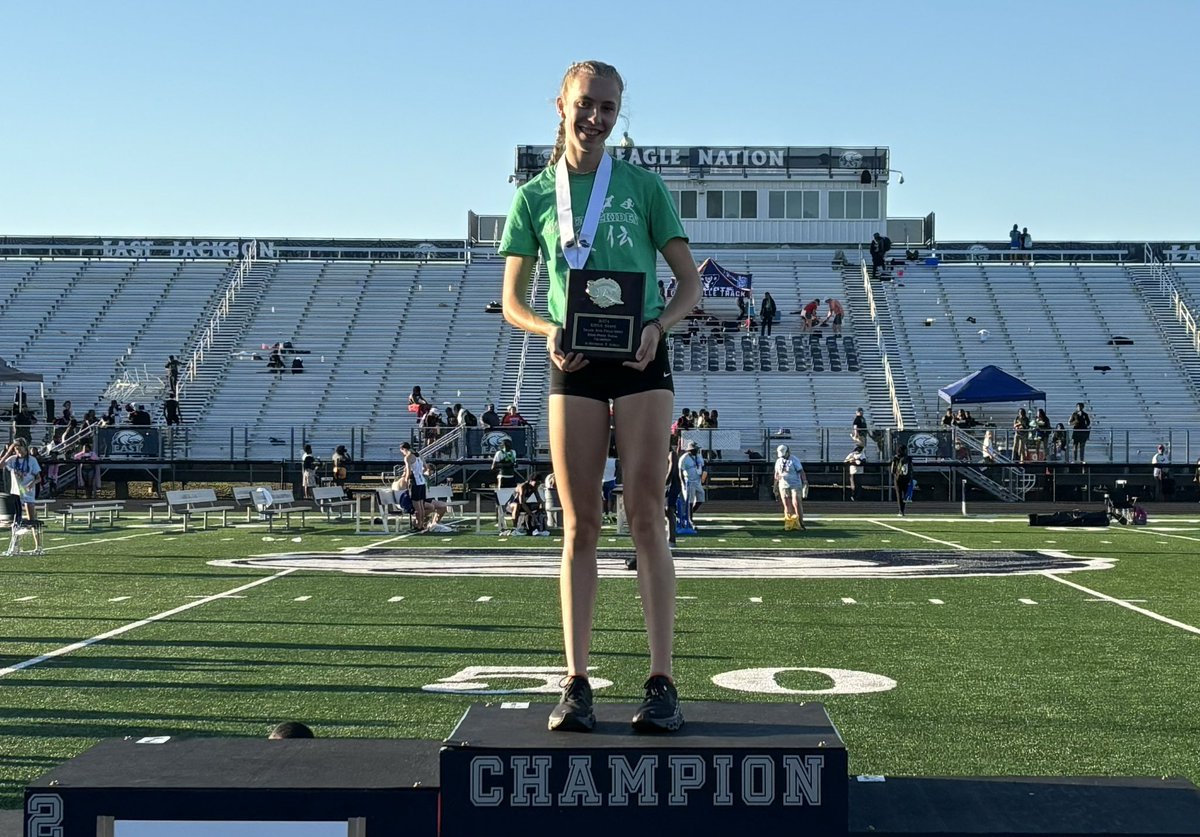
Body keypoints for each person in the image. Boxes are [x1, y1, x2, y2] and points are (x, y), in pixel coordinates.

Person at [499, 59, 702, 735]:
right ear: (561, 104)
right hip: (576, 364)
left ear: (620, 113)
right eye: (586, 104)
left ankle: (662, 680)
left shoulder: (643, 187)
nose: (596, 117)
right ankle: (577, 682)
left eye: (608, 108)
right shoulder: (533, 198)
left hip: (642, 358)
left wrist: (658, 325)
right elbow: (512, 302)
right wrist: (549, 329)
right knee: (580, 523)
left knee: (647, 516)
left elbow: (689, 286)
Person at [2, 438, 43, 556]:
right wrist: (8, 452)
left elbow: (38, 477)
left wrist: (31, 483)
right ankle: (15, 545)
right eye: (16, 448)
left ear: (25, 447)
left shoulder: (32, 460)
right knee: (17, 521)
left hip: (28, 493)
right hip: (16, 492)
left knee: (32, 520)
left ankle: (38, 546)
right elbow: (1, 465)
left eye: (19, 447)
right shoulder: (13, 459)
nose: (18, 450)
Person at [773, 444, 807, 530]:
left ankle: (800, 522)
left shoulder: (794, 460)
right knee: (786, 504)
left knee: (796, 502)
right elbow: (776, 474)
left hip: (795, 484)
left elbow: (801, 471)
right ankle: (789, 523)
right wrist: (776, 485)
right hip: (783, 484)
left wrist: (805, 482)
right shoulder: (778, 461)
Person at [399, 441, 431, 529]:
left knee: (417, 506)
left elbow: (408, 472)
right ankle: (421, 524)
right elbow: (425, 468)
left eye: (401, 451)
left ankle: (419, 525)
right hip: (422, 481)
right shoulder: (419, 455)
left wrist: (405, 481)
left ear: (403, 449)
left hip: (415, 482)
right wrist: (420, 473)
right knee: (421, 504)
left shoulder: (408, 457)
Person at [679, 440, 707, 528]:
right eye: (694, 450)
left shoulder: (698, 456)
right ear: (690, 450)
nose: (696, 451)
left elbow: (702, 466)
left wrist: (704, 477)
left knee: (701, 498)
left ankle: (687, 515)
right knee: (690, 501)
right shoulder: (684, 458)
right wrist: (682, 482)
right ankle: (690, 519)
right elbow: (680, 470)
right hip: (689, 481)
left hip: (697, 481)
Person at [889, 444, 913, 517]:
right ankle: (902, 510)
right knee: (904, 495)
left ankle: (900, 511)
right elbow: (911, 468)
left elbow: (892, 470)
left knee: (899, 494)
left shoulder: (896, 458)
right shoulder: (908, 458)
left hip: (898, 478)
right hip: (906, 478)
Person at [601, 442, 618, 523]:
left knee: (605, 498)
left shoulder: (603, 461)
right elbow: (617, 471)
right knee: (612, 497)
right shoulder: (615, 461)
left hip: (603, 481)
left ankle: (605, 513)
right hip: (612, 480)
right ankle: (611, 512)